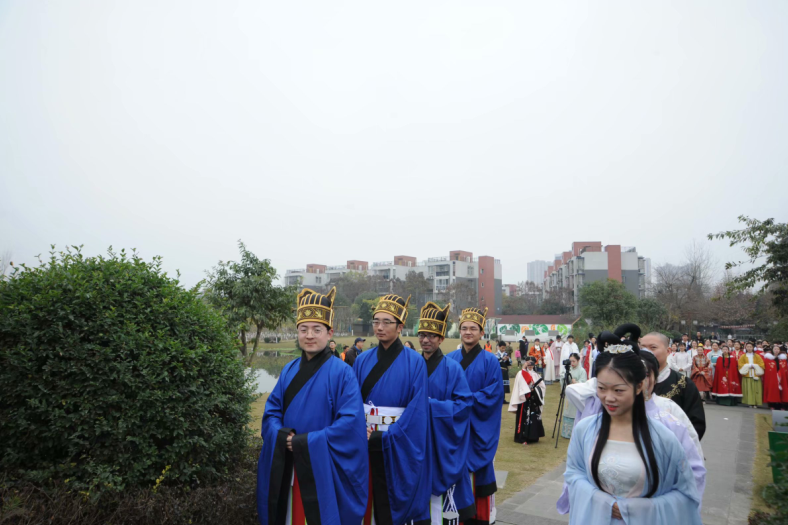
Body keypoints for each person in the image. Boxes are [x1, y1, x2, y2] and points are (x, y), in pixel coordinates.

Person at [561, 328, 702, 524]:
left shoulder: (663, 437)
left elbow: (686, 493)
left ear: (639, 386)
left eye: (618, 390)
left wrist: (638, 509)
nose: (608, 398)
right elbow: (574, 474)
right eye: (601, 388)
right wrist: (603, 503)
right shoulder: (585, 429)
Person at [256, 288, 368, 525]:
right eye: (303, 329)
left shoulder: (343, 373)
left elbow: (349, 423)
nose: (309, 335)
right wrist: (281, 435)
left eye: (317, 330)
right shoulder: (288, 369)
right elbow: (272, 410)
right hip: (288, 465)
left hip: (322, 468)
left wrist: (305, 442)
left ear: (330, 333)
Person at [352, 294, 430, 525]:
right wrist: (359, 430)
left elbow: (417, 412)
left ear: (400, 327)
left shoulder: (415, 362)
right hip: (364, 439)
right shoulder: (362, 360)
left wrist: (385, 436)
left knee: (392, 498)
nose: (380, 327)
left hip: (396, 442)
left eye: (387, 322)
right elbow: (352, 402)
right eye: (376, 321)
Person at [417, 302, 476, 524]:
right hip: (417, 439)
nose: (426, 340)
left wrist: (431, 406)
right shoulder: (413, 365)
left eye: (431, 336)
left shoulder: (453, 368)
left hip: (442, 441)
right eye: (422, 335)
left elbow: (464, 404)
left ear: (441, 338)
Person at [446, 307, 504, 525]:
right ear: (459, 331)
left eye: (473, 328)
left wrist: (462, 401)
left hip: (476, 427)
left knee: (476, 471)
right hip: (453, 427)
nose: (468, 332)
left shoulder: (490, 361)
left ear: (481, 333)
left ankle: (478, 517)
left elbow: (493, 394)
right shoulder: (449, 359)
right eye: (464, 328)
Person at [640, 332, 706, 440]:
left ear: (668, 351)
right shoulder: (631, 382)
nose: (646, 352)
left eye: (653, 347)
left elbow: (696, 425)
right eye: (642, 348)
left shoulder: (684, 384)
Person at [509, 357, 545, 445]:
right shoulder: (520, 373)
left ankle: (533, 437)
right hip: (524, 400)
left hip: (533, 400)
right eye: (528, 363)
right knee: (524, 418)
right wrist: (528, 390)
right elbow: (520, 385)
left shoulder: (536, 375)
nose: (530, 365)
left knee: (533, 418)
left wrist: (535, 390)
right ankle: (521, 437)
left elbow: (542, 387)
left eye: (532, 363)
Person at [560, 353, 587, 439]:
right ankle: (566, 432)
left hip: (576, 396)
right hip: (569, 395)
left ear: (578, 361)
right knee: (567, 411)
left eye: (574, 361)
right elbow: (563, 379)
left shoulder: (582, 371)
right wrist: (563, 378)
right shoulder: (568, 369)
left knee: (575, 413)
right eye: (570, 361)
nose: (572, 363)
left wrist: (576, 382)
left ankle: (575, 433)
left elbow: (584, 383)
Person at [739, 342, 765, 408]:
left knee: (756, 390)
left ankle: (756, 403)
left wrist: (755, 366)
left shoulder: (757, 356)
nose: (749, 348)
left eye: (750, 347)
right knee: (748, 390)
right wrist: (748, 366)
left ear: (753, 348)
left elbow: (762, 364)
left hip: (755, 375)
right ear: (746, 348)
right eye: (748, 347)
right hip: (747, 375)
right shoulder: (743, 356)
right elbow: (740, 364)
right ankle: (749, 403)